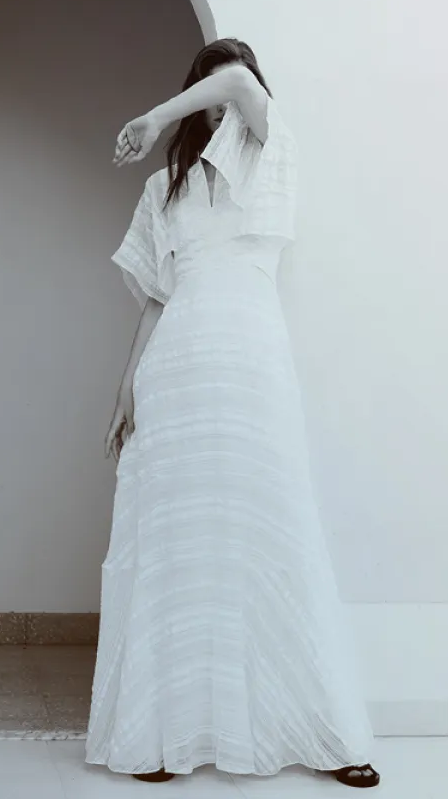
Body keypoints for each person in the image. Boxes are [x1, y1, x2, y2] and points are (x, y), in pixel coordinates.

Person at [85, 38, 380, 789]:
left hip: (250, 358)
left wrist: (155, 115)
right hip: (177, 366)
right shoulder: (163, 190)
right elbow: (157, 299)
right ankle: (158, 736)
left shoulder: (270, 152)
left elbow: (243, 82)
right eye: (207, 90)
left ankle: (328, 735)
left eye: (223, 90)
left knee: (275, 530)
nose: (221, 101)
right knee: (176, 540)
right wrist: (125, 387)